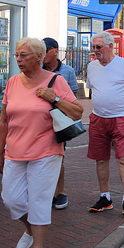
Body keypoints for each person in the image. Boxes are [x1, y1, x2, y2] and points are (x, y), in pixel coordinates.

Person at [0, 37, 83, 248]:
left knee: (39, 200)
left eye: (23, 55)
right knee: (11, 199)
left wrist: (53, 98)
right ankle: (31, 229)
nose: (18, 60)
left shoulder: (56, 80)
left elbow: (77, 112)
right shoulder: (13, 82)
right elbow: (4, 120)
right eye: (16, 55)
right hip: (14, 151)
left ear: (38, 57)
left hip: (45, 151)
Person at [86, 31, 124, 217]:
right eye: (93, 47)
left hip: (122, 118)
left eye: (99, 47)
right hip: (98, 118)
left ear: (110, 47)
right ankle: (105, 197)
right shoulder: (92, 67)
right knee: (100, 158)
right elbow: (92, 90)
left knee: (123, 158)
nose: (95, 51)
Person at [42, 37, 79, 210]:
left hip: (58, 121)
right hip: (39, 121)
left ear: (55, 51)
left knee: (58, 158)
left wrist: (58, 103)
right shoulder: (37, 71)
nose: (42, 54)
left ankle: (61, 192)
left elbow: (73, 100)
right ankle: (47, 192)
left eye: (46, 49)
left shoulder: (68, 71)